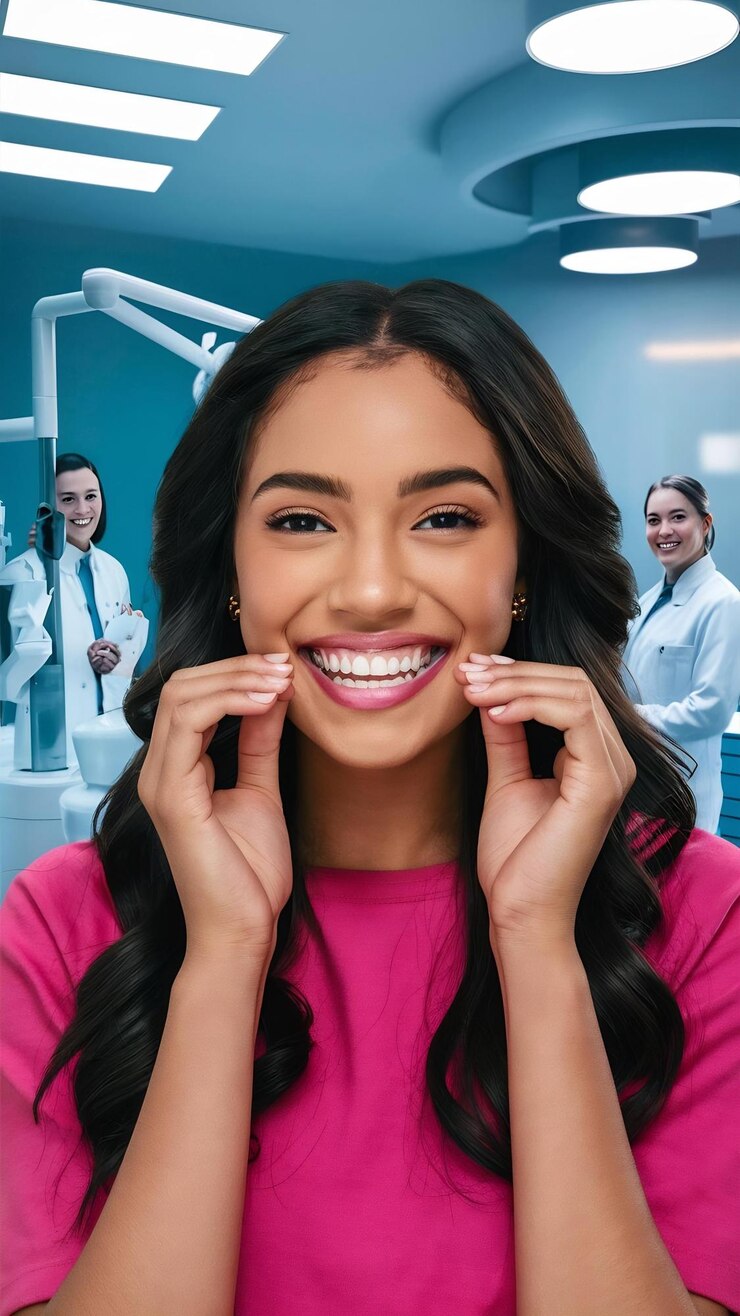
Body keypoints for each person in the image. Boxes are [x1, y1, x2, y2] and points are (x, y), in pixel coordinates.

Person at [1, 281, 738, 1316]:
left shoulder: (703, 911)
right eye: (302, 519)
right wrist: (220, 954)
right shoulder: (58, 920)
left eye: (443, 516)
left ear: (520, 562)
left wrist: (536, 941)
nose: (372, 589)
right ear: (231, 571)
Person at [0, 452, 143, 767]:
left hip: (114, 737)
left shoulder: (113, 570)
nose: (82, 510)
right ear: (47, 509)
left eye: (91, 496)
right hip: (51, 746)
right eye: (68, 499)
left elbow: (126, 664)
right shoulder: (22, 573)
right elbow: (7, 677)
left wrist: (119, 656)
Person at [622, 476, 740, 835]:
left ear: (705, 524)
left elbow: (711, 712)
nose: (664, 530)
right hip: (637, 791)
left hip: (685, 797)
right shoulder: (647, 602)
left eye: (678, 517)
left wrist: (628, 716)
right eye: (653, 520)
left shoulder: (723, 604)